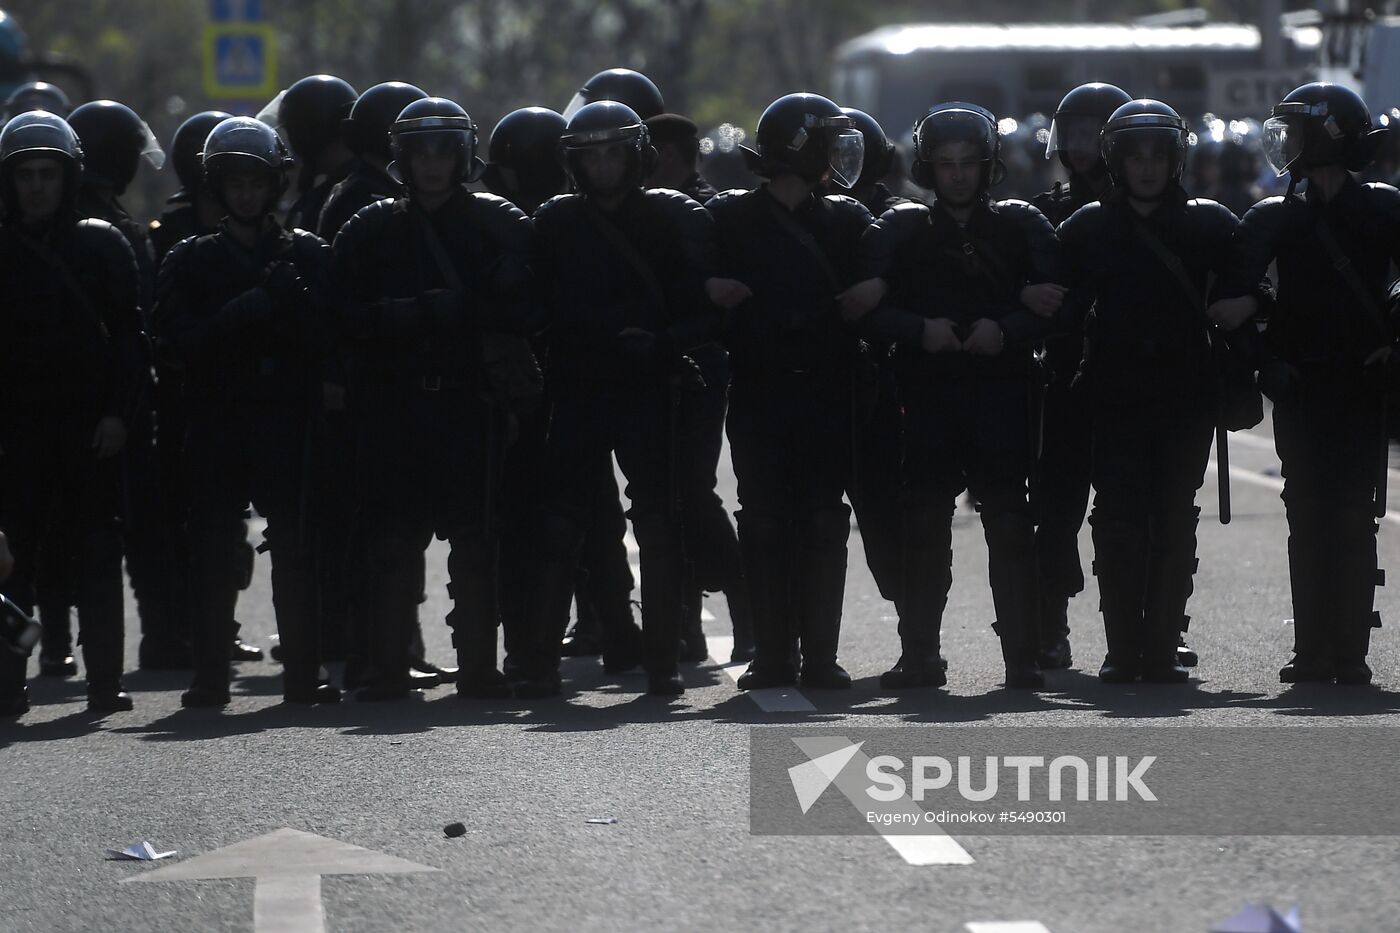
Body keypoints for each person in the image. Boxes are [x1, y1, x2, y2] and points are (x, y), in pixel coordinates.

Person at [853, 101, 1059, 690]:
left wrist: (1008, 329)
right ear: (928, 168)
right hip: (926, 397)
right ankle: (920, 654)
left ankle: (1023, 655)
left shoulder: (1020, 225)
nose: (959, 174)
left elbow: (1057, 304)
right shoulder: (901, 230)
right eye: (946, 164)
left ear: (988, 165)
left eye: (969, 162)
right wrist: (920, 330)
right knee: (923, 528)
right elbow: (860, 311)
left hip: (1002, 395)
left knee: (1012, 526)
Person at [332, 98, 532, 700]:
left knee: (476, 541)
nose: (432, 163)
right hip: (395, 407)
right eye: (420, 151)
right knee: (391, 540)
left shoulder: (500, 223)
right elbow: (336, 314)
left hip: (472, 405)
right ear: (402, 156)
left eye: (443, 149)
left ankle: (478, 667)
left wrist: (471, 311)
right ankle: (387, 667)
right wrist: (400, 317)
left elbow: (534, 309)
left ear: (463, 153)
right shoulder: (370, 227)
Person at [519, 100, 719, 698]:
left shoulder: (674, 218)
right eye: (591, 155)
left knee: (659, 522)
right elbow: (532, 309)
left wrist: (660, 343)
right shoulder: (553, 224)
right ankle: (538, 664)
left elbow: (703, 313)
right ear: (573, 163)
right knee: (561, 524)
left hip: (649, 388)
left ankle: (662, 663)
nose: (603, 167)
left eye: (613, 153)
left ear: (637, 157)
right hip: (578, 389)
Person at [1211, 82, 1399, 686]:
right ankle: (1312, 647)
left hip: (1363, 382)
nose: (1283, 143)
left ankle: (1350, 651)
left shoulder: (1385, 209)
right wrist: (1264, 360)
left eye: (1295, 130)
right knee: (1308, 513)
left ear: (1326, 136)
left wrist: (1394, 337)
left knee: (1353, 514)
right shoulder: (1271, 218)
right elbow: (1232, 300)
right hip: (1298, 384)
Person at [1057, 99, 1249, 683]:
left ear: (1175, 160)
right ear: (1116, 160)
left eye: (1157, 156)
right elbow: (1059, 312)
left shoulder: (1212, 223)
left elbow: (1256, 287)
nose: (1146, 168)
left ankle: (1162, 645)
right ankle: (1121, 648)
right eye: (1135, 156)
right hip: (1112, 395)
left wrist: (1250, 304)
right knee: (1116, 519)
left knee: (1172, 517)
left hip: (1186, 395)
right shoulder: (1088, 227)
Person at [157, 117, 341, 708]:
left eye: (255, 182)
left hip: (287, 421)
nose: (245, 193)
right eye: (233, 183)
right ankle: (210, 676)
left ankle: (303, 674)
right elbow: (177, 344)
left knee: (296, 549)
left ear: (273, 185)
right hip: (217, 421)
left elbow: (336, 342)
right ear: (217, 185)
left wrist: (300, 311)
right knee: (213, 550)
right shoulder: (189, 260)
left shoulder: (308, 255)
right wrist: (254, 305)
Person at [708, 92, 873, 691]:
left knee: (824, 521)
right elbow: (690, 279)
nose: (838, 159)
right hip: (758, 391)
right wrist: (708, 285)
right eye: (830, 145)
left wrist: (878, 286)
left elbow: (892, 270)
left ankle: (821, 657)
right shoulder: (728, 220)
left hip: (829, 392)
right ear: (805, 150)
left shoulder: (848, 222)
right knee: (765, 522)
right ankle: (773, 654)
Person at [0, 111, 144, 716]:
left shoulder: (100, 244)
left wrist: (119, 414)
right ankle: (7, 686)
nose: (36, 186)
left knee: (95, 552)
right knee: (10, 562)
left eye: (47, 174)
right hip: (13, 434)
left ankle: (105, 683)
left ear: (69, 178)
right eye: (25, 175)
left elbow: (131, 340)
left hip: (86, 430)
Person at [1029, 82, 1131, 671]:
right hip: (1061, 379)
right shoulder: (1045, 212)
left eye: (1094, 132)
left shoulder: (1157, 209)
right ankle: (1049, 626)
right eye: (1072, 132)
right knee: (1055, 510)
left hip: (1132, 379)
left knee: (1140, 513)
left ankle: (1155, 625)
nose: (1082, 145)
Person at [646, 110, 753, 664]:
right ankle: (680, 621)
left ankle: (744, 602)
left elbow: (726, 298)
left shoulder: (711, 213)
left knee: (690, 490)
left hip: (699, 364)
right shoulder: (633, 211)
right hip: (644, 366)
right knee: (660, 499)